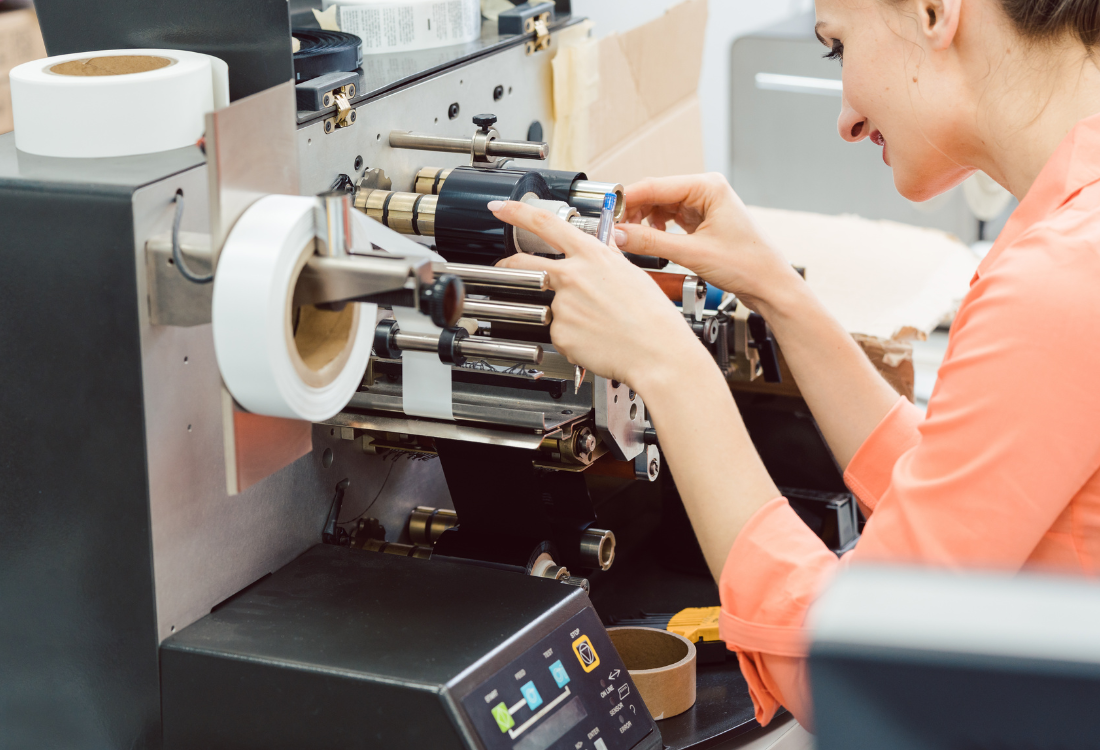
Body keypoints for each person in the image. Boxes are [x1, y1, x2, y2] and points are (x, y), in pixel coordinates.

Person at [486, 0, 1100, 729]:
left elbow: (862, 675)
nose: (845, 119)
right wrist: (777, 291)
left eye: (835, 48)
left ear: (935, 12)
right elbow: (976, 500)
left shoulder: (1058, 283)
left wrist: (669, 366)